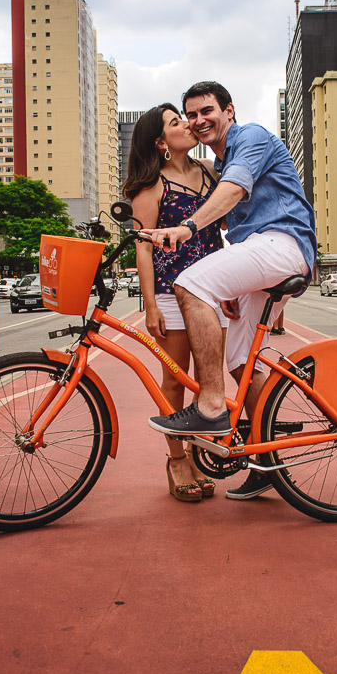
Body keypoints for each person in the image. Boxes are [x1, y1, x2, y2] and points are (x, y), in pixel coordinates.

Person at [143, 81, 316, 501]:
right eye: (192, 115)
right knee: (240, 360)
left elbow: (233, 190)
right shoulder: (219, 160)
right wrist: (232, 283)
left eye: (208, 111)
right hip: (261, 253)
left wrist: (186, 228)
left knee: (190, 281)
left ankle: (211, 408)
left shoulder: (250, 138)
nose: (200, 121)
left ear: (229, 110)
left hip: (283, 243)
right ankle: (264, 458)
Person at [123, 102, 227, 502]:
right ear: (161, 142)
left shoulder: (208, 173)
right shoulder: (153, 185)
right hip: (171, 292)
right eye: (175, 122)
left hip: (212, 289)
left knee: (209, 380)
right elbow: (144, 249)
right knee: (175, 379)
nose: (186, 125)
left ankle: (201, 455)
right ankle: (178, 460)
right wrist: (149, 305)